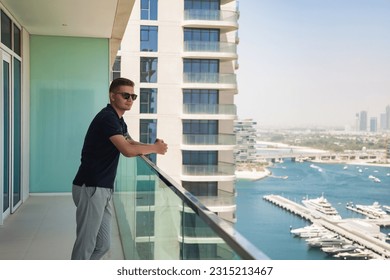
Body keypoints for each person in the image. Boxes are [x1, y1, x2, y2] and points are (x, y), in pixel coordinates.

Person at [71, 77, 167, 260]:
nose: (130, 99)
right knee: (86, 244)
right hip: (91, 187)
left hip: (103, 188)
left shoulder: (118, 120)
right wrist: (155, 149)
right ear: (112, 96)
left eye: (133, 96)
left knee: (103, 244)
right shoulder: (107, 118)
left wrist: (151, 145)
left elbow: (130, 142)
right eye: (125, 95)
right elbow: (127, 150)